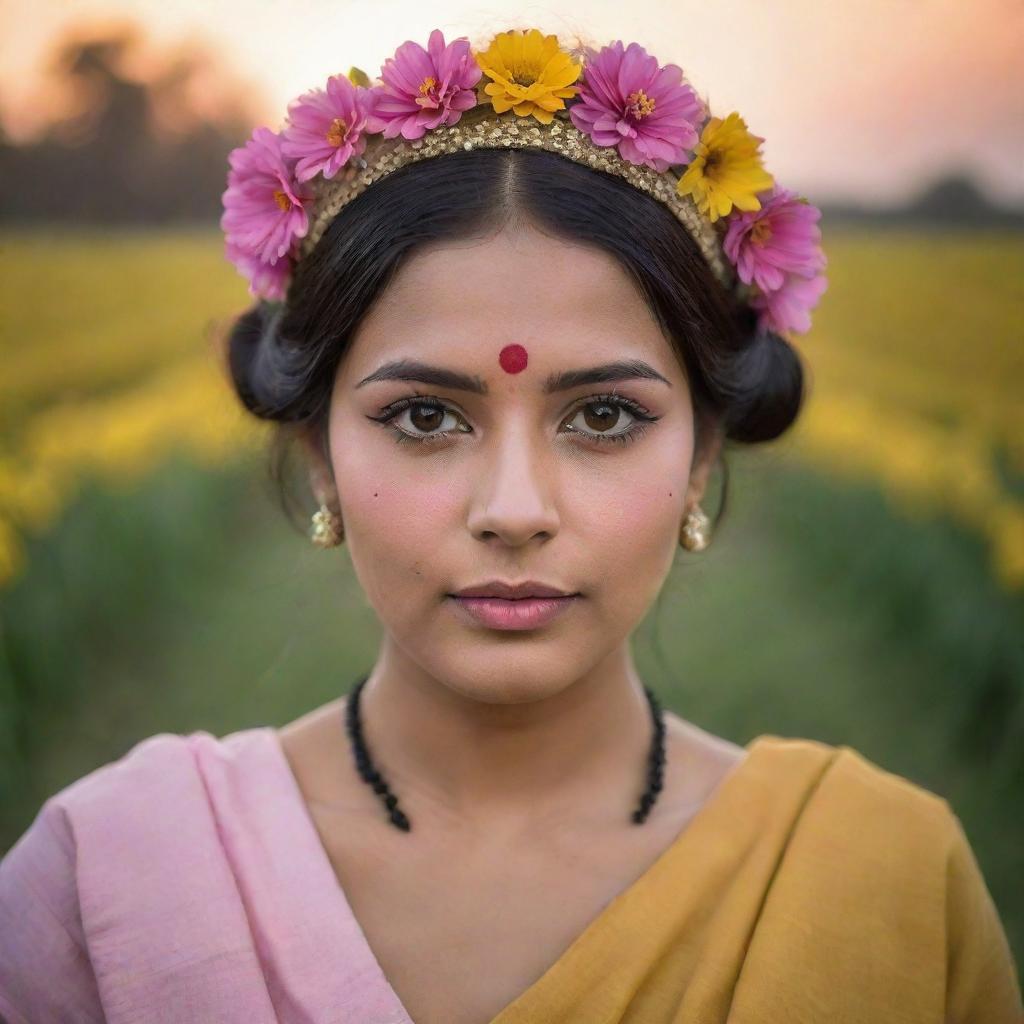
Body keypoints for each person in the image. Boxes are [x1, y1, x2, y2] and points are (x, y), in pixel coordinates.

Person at [1, 25, 1020, 1024]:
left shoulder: (882, 886)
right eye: (425, 417)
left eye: (605, 417)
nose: (515, 511)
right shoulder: (111, 882)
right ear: (319, 452)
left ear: (704, 451)